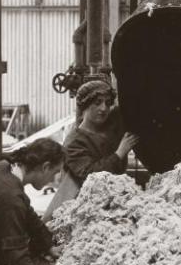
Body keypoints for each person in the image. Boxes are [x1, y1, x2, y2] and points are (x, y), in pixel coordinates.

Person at [42, 79, 139, 221]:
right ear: (85, 106)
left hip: (116, 198)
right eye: (97, 103)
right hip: (86, 208)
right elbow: (90, 175)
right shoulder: (74, 142)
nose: (104, 108)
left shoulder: (110, 125)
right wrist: (119, 154)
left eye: (107, 103)